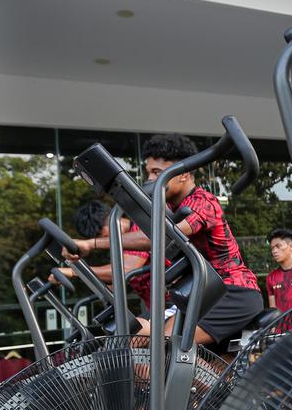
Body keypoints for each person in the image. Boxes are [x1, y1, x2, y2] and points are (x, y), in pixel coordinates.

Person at [67, 134, 263, 347]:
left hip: (232, 293)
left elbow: (163, 237)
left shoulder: (203, 201)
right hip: (197, 295)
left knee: (164, 348)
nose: (150, 180)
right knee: (129, 341)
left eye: (157, 173)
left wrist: (91, 244)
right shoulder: (167, 209)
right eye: (149, 172)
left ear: (183, 174)